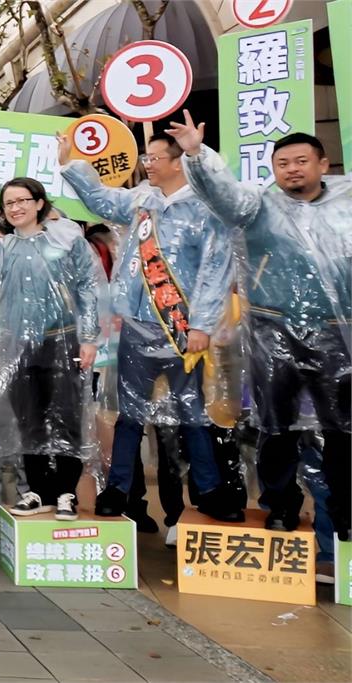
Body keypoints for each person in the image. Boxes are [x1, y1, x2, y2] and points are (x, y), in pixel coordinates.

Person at [169, 114, 351, 539]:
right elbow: (222, 196)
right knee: (276, 428)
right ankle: (281, 506)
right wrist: (196, 155)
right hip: (274, 331)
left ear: (323, 164)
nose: (292, 169)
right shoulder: (257, 205)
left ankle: (344, 513)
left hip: (337, 331)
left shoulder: (345, 205)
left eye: (301, 161)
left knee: (342, 429)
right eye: (283, 162)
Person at [59, 130, 244, 524]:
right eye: (146, 157)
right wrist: (69, 164)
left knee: (193, 413)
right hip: (139, 325)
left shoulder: (205, 209)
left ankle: (209, 491)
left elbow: (215, 270)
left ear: (178, 162)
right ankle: (118, 491)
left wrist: (202, 323)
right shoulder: (142, 199)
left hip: (183, 329)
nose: (147, 163)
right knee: (130, 412)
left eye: (155, 157)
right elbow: (99, 199)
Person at [0, 179, 101, 555]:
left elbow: (87, 287)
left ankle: (66, 491)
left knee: (65, 415)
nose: (16, 207)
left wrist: (88, 337)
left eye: (23, 200)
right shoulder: (1, 248)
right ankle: (37, 491)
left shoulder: (66, 241)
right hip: (17, 343)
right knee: (28, 418)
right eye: (8, 202)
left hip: (63, 338)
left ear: (39, 203)